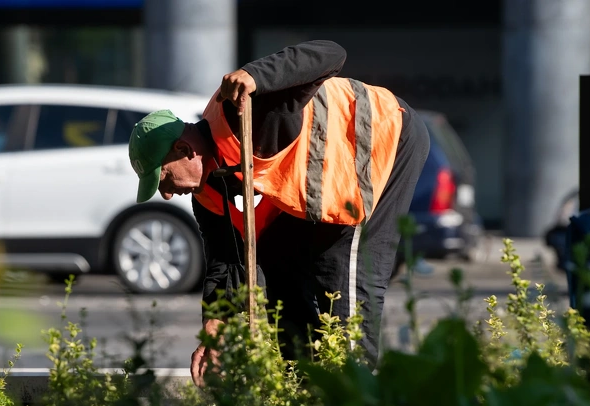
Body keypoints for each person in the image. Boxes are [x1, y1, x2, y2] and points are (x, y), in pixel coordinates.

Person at [127, 40, 430, 386]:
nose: (166, 194)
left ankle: (355, 396)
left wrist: (256, 76)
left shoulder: (250, 111)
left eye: (163, 178)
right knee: (276, 261)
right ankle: (300, 385)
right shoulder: (208, 191)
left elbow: (332, 53)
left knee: (342, 273)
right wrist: (215, 329)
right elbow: (225, 261)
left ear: (183, 150)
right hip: (319, 185)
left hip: (382, 140)